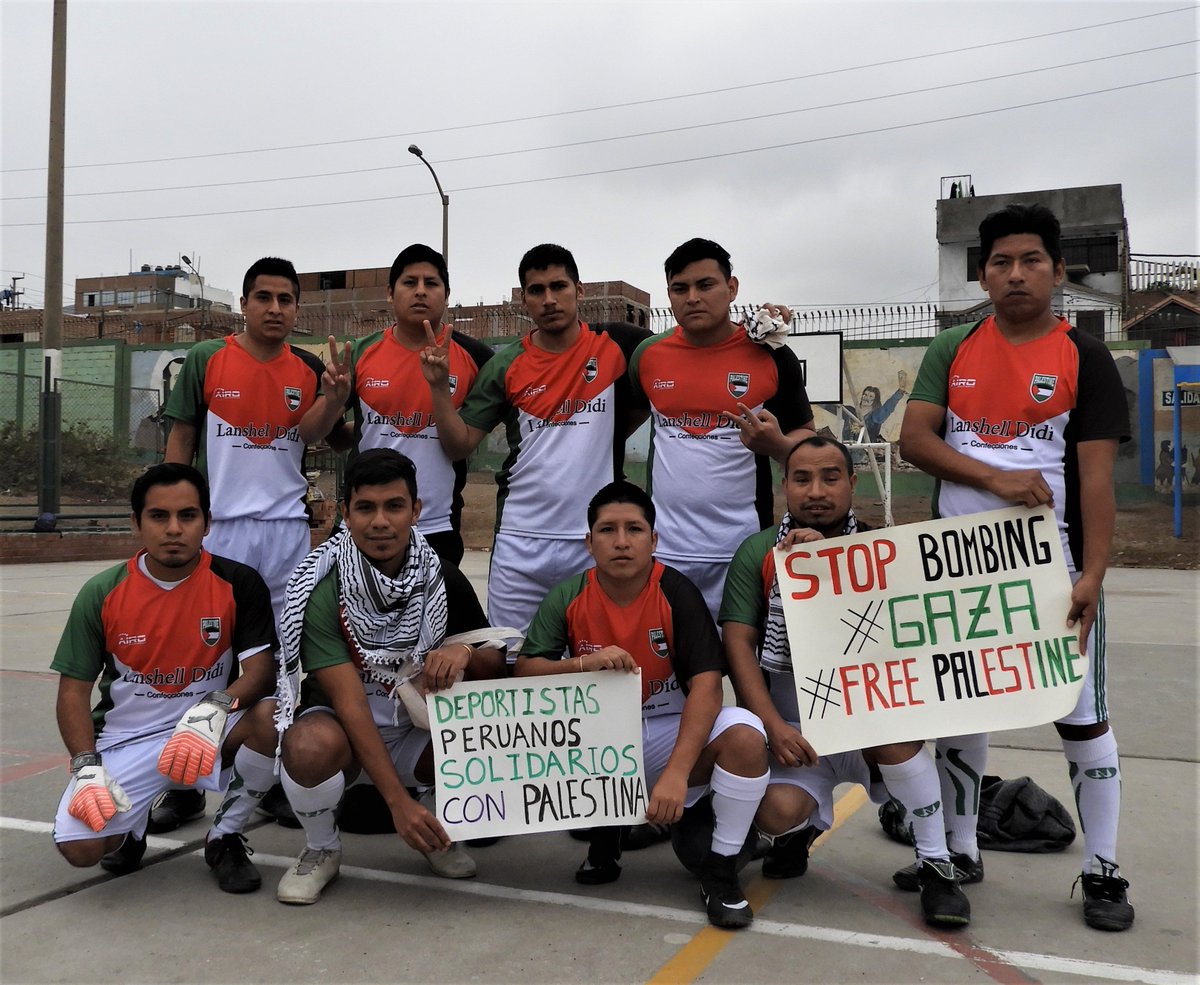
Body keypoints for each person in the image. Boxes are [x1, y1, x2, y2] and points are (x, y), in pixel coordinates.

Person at [899, 203, 1133, 932]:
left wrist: (1092, 573)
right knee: (960, 714)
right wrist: (995, 479)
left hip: (1050, 575)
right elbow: (914, 440)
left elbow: (1096, 480)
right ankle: (961, 850)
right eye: (1000, 262)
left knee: (1081, 720)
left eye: (1031, 260)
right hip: (956, 574)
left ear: (1059, 272)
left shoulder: (1085, 357)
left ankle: (1103, 870)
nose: (1015, 274)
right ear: (982, 274)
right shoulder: (953, 347)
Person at [720, 436, 971, 927]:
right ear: (784, 484)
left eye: (830, 478)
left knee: (892, 731)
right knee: (774, 811)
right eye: (802, 478)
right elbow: (738, 648)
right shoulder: (756, 551)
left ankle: (937, 864)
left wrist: (831, 560)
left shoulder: (882, 548)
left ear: (852, 483)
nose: (816, 491)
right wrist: (773, 727)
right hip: (797, 732)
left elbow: (916, 642)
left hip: (866, 725)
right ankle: (795, 833)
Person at [516, 480, 770, 930]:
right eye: (607, 530)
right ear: (588, 541)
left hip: (667, 732)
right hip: (600, 739)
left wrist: (674, 774)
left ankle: (721, 872)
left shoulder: (676, 591)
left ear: (654, 540)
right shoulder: (569, 594)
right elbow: (525, 671)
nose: (620, 541)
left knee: (746, 735)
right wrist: (581, 664)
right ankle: (605, 832)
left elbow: (708, 689)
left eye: (634, 529)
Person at [156, 258, 345, 834]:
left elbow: (318, 435)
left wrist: (336, 397)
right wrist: (173, 512)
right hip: (224, 528)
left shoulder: (310, 368)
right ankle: (182, 783)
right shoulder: (206, 359)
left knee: (285, 664)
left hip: (287, 532)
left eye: (286, 299)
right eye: (263, 297)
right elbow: (182, 435)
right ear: (244, 304)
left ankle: (279, 782)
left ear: (296, 309)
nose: (275, 308)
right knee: (204, 657)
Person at [271, 449, 505, 905]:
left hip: (410, 728)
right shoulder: (323, 585)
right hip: (345, 734)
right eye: (366, 507)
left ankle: (440, 832)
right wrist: (399, 804)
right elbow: (351, 704)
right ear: (345, 514)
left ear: (416, 511)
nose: (381, 522)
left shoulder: (441, 576)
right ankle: (321, 849)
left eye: (394, 506)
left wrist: (462, 652)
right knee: (307, 745)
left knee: (485, 732)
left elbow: (495, 665)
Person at [50, 464, 280, 895]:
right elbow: (72, 693)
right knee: (82, 850)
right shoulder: (102, 592)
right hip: (127, 739)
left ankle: (224, 835)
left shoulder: (237, 582)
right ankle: (132, 825)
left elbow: (262, 673)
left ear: (207, 523)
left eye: (188, 516)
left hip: (209, 728)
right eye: (159, 516)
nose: (174, 529)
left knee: (271, 717)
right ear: (136, 522)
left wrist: (214, 707)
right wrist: (85, 767)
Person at [420, 243, 650, 636]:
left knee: (602, 664)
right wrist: (439, 389)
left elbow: (684, 353)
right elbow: (460, 444)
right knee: (513, 664)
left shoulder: (618, 346)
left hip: (595, 539)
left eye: (558, 286)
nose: (549, 299)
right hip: (519, 542)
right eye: (536, 290)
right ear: (524, 299)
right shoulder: (506, 365)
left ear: (580, 291)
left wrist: (756, 329)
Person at [629, 238, 815, 620]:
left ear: (732, 288)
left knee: (747, 662)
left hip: (744, 549)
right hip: (666, 551)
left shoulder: (771, 354)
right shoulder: (648, 355)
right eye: (680, 289)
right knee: (677, 671)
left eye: (706, 285)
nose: (693, 297)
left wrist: (777, 445)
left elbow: (806, 439)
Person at [312, 244, 494, 564]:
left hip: (435, 527)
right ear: (390, 293)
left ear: (447, 294)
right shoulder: (361, 353)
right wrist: (332, 404)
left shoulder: (476, 358)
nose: (420, 292)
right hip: (363, 523)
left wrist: (438, 387)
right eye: (410, 283)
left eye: (431, 283)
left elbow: (459, 446)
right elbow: (329, 435)